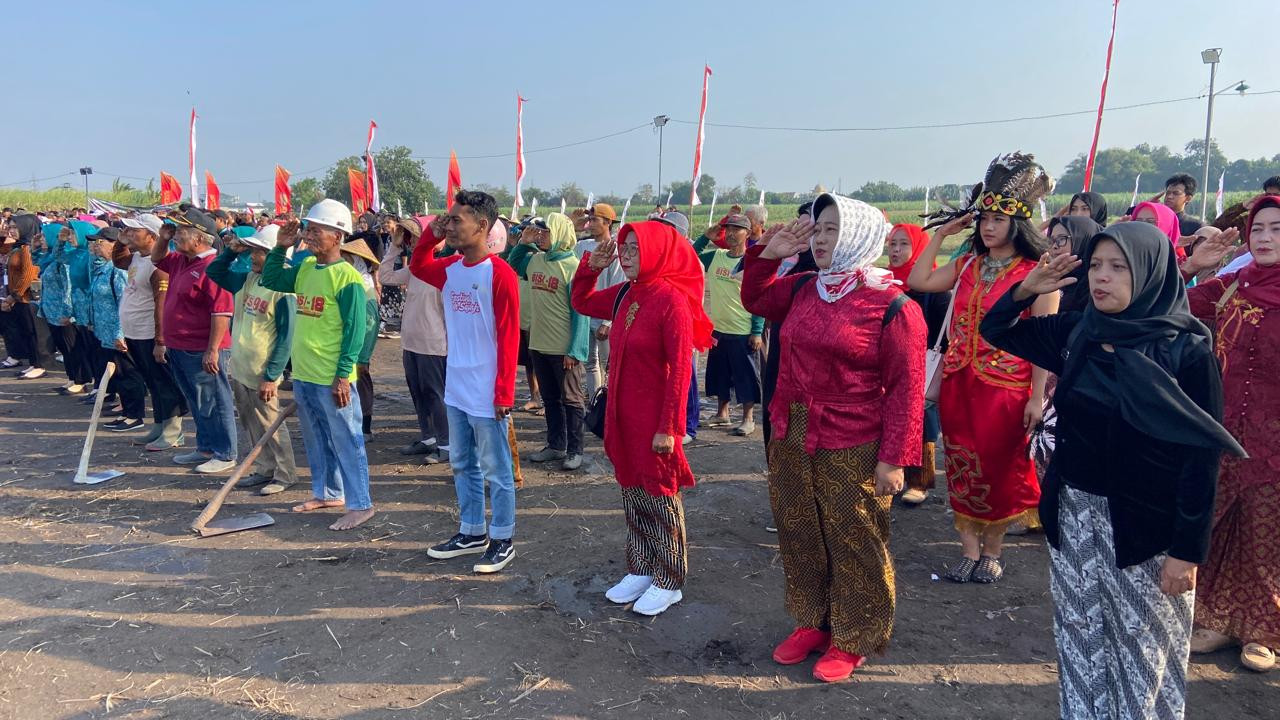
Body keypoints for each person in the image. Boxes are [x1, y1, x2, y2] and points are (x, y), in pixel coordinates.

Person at [979, 221, 1242, 719]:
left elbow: (1200, 460)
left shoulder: (1185, 350)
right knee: (1082, 640)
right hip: (1076, 515)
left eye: (1118, 267)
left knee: (1144, 649)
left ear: (1147, 273)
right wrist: (1026, 290)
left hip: (1148, 527)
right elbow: (996, 331)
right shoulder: (1080, 331)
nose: (1102, 278)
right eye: (1096, 266)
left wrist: (1187, 551)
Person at [743, 193, 926, 682]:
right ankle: (812, 621)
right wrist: (768, 255)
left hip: (855, 438)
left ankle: (855, 636)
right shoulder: (805, 287)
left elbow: (908, 390)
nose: (821, 239)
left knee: (854, 536)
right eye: (818, 229)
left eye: (833, 230)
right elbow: (755, 300)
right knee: (799, 530)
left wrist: (895, 459)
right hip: (791, 430)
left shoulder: (893, 305)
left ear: (861, 236)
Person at [910, 152, 1056, 584]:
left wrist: (1036, 398)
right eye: (984, 219)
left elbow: (1044, 342)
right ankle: (968, 551)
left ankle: (992, 551)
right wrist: (941, 237)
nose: (988, 227)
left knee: (998, 470)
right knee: (959, 466)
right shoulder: (969, 264)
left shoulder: (1035, 272)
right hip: (959, 382)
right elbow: (919, 280)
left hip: (1006, 389)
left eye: (997, 219)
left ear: (1019, 222)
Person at [570, 218, 713, 616]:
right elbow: (581, 302)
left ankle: (670, 578)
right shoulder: (624, 295)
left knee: (661, 495)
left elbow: (682, 371)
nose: (628, 255)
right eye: (625, 248)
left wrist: (670, 427)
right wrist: (592, 267)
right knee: (631, 490)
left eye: (636, 249)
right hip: (622, 414)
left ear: (658, 251)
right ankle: (641, 567)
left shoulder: (671, 301)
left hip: (654, 419)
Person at [1184, 194, 1280, 673]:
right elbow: (1168, 305)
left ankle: (1266, 631)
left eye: (1277, 230)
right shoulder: (1231, 287)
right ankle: (1220, 621)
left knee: (1268, 531)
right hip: (1223, 429)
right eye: (1258, 230)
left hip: (1277, 440)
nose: (1264, 238)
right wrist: (1189, 265)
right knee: (1221, 526)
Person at [411, 190, 521, 573]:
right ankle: (472, 530)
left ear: (483, 226)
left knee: (497, 468)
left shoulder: (500, 274)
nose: (451, 225)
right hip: (456, 386)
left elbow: (509, 338)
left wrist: (504, 392)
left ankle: (503, 537)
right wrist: (431, 236)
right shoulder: (451, 268)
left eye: (458, 219)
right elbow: (418, 265)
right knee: (461, 462)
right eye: (449, 219)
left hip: (488, 392)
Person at [261, 199, 374, 531]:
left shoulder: (347, 278)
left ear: (338, 236)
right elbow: (272, 280)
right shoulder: (306, 267)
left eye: (316, 230)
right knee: (316, 438)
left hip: (332, 376)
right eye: (308, 229)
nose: (308, 236)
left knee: (347, 440)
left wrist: (343, 375)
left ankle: (361, 503)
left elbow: (355, 331)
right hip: (306, 373)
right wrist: (281, 247)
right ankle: (328, 492)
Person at [206, 225, 298, 496]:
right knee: (250, 422)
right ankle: (264, 467)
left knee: (271, 424)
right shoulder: (249, 279)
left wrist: (272, 375)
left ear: (273, 256)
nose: (253, 257)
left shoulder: (283, 292)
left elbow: (286, 337)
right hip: (242, 367)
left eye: (258, 252)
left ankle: (285, 473)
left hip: (262, 371)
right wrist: (231, 253)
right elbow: (216, 273)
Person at [150, 209, 239, 474]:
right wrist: (164, 239)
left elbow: (221, 312)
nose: (176, 236)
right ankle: (205, 447)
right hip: (180, 345)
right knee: (196, 399)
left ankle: (225, 452)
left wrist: (212, 350)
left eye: (181, 233)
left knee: (214, 399)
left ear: (199, 238)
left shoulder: (214, 267)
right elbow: (156, 258)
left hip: (202, 347)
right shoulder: (180, 260)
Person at [506, 213, 590, 471]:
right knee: (550, 399)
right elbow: (513, 265)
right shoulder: (536, 261)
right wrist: (523, 242)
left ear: (561, 235)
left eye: (546, 232)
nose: (541, 236)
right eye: (539, 232)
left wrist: (575, 350)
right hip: (539, 343)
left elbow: (581, 313)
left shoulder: (574, 268)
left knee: (572, 400)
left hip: (563, 348)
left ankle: (575, 450)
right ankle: (556, 445)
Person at [886, 222, 950, 506]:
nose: (896, 250)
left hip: (921, 365)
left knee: (923, 421)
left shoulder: (934, 290)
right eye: (892, 244)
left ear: (919, 249)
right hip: (889, 365)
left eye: (904, 244)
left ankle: (920, 481)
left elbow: (943, 336)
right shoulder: (884, 283)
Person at [381, 216, 450, 465]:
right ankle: (429, 438)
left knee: (435, 394)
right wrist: (394, 246)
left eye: (416, 237)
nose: (413, 242)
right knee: (418, 394)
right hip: (410, 341)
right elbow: (385, 276)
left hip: (434, 344)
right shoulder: (413, 270)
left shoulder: (443, 269)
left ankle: (446, 444)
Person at [119, 214, 188, 451]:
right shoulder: (137, 257)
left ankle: (173, 432)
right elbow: (118, 260)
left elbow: (162, 305)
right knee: (153, 383)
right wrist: (121, 240)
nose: (129, 233)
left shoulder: (160, 265)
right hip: (135, 332)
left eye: (134, 230)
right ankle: (159, 425)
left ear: (152, 236)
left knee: (164, 383)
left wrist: (161, 340)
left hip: (151, 333)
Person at [696, 214, 765, 436]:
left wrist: (757, 331)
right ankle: (722, 414)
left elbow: (758, 299)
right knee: (720, 374)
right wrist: (705, 237)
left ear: (748, 233)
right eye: (729, 229)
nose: (732, 233)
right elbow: (689, 255)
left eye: (738, 229)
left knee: (745, 376)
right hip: (718, 329)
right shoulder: (716, 257)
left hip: (742, 331)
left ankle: (748, 418)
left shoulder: (751, 262)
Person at [85, 228, 147, 432]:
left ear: (114, 244)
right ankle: (126, 412)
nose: (96, 246)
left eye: (100, 242)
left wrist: (121, 333)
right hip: (105, 332)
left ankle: (134, 415)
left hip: (119, 332)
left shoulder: (118, 271)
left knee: (128, 373)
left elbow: (125, 301)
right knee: (118, 374)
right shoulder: (103, 267)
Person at [575, 203, 625, 397]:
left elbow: (618, 286)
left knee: (609, 364)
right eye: (590, 219)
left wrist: (608, 321)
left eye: (595, 219)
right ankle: (595, 402)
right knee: (589, 363)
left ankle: (611, 403)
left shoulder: (615, 250)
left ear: (608, 223)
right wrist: (574, 226)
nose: (590, 223)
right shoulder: (582, 246)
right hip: (585, 313)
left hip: (604, 315)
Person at [339, 237, 381, 439]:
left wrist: (363, 356)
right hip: (350, 343)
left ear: (356, 261)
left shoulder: (365, 289)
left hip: (359, 347)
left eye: (346, 258)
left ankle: (365, 426)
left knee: (360, 377)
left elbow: (370, 326)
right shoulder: (351, 282)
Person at [3, 215, 54, 379]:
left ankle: (40, 365)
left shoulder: (27, 248)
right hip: (18, 299)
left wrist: (14, 295)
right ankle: (33, 363)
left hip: (26, 298)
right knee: (26, 331)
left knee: (35, 332)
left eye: (14, 227)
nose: (11, 230)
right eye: (10, 227)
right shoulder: (18, 247)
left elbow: (29, 275)